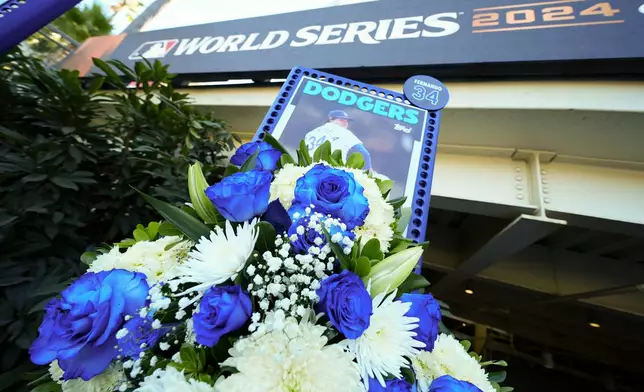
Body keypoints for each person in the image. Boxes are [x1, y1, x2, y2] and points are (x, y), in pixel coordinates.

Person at [304, 110, 372, 170]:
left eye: (347, 121)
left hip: (308, 170)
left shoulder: (310, 133)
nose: (345, 123)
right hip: (332, 173)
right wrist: (368, 171)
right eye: (341, 120)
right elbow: (363, 152)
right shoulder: (342, 132)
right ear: (331, 119)